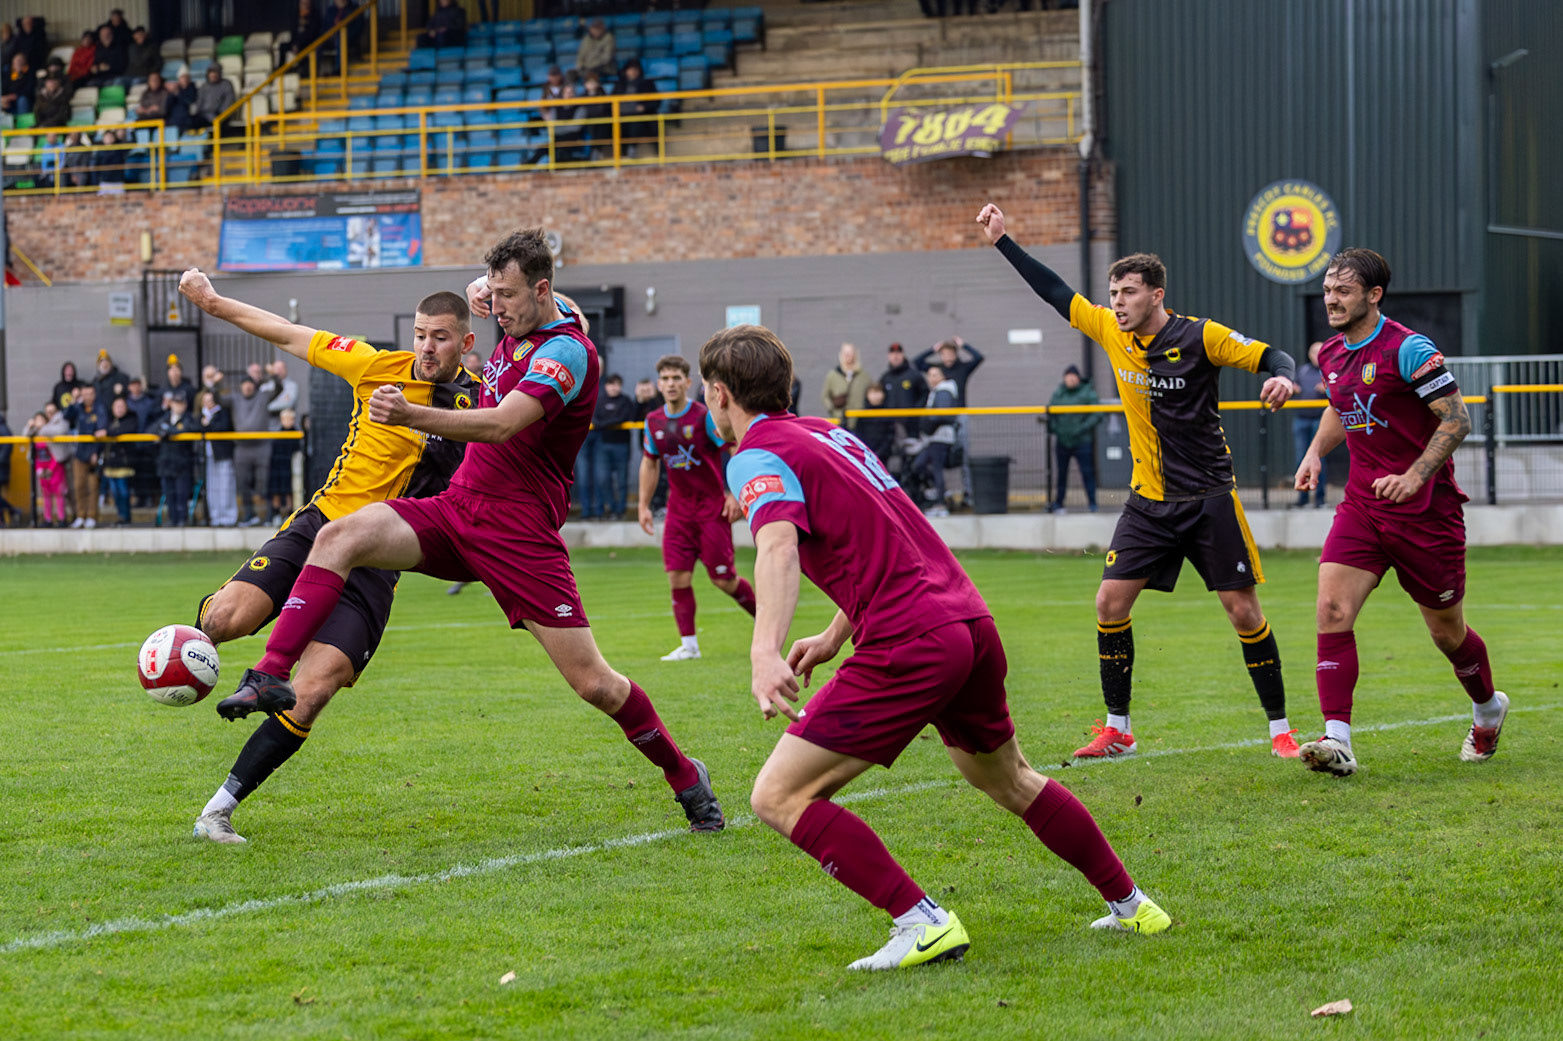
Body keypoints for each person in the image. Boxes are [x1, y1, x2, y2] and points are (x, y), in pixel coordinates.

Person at [210, 229, 726, 839]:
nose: (497, 305)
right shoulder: (515, 312)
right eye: (494, 295)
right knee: (340, 536)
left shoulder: (568, 354)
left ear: (542, 290)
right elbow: (493, 293)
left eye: (508, 296)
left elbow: (505, 424)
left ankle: (683, 774)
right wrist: (484, 287)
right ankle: (270, 673)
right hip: (458, 510)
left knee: (595, 684)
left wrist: (410, 414)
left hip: (520, 536)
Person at [702, 324, 1171, 970]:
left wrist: (765, 650)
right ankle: (1132, 904)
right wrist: (835, 634)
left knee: (776, 796)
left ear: (720, 393)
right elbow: (880, 538)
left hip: (912, 638)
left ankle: (920, 920)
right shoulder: (829, 434)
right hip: (968, 623)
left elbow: (778, 547)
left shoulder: (753, 454)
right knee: (1009, 778)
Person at [979, 202, 1303, 759]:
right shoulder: (1109, 330)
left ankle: (1281, 732)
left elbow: (1273, 354)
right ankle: (1119, 730)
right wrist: (1004, 241)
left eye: (1127, 292)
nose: (1116, 304)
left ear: (1156, 294)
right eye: (1112, 293)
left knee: (1243, 612)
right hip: (1148, 503)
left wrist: (1283, 378)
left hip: (1208, 500)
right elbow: (1056, 293)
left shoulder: (1202, 337)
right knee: (1109, 603)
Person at [177, 268, 477, 843]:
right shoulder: (374, 365)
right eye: (420, 334)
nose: (426, 347)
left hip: (379, 561)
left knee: (315, 688)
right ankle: (181, 654)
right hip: (319, 525)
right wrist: (214, 303)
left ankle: (217, 811)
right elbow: (289, 333)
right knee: (226, 619)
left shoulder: (476, 403)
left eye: (440, 336)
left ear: (465, 342)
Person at [1293, 248, 1504, 777]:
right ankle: (1336, 740)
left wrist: (1414, 476)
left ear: (1373, 294)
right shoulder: (1332, 354)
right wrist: (1316, 453)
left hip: (1425, 514)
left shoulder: (1409, 349)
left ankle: (1487, 709)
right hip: (1363, 508)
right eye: (1326, 290)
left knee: (1446, 633)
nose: (1331, 300)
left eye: (1342, 290)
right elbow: (1342, 406)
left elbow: (1457, 421)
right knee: (1331, 610)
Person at [638, 354, 756, 661]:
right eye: (665, 378)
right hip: (678, 511)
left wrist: (736, 493)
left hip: (711, 509)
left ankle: (766, 623)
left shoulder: (705, 415)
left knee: (723, 580)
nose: (671, 383)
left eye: (677, 378)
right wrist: (643, 505)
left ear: (688, 382)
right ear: (658, 384)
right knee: (677, 577)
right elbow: (649, 464)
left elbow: (735, 447)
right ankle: (689, 646)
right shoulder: (653, 421)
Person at [1047, 364, 1101, 512]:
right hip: (1063, 441)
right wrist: (1056, 429)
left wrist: (1081, 429)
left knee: (1087, 472)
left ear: (1078, 378)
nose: (1070, 379)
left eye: (1073, 376)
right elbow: (1051, 413)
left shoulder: (1087, 392)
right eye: (1067, 376)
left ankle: (1092, 503)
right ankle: (1059, 503)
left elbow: (1097, 413)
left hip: (1082, 441)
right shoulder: (1059, 393)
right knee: (1061, 474)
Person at [908, 363, 958, 515]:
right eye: (929, 375)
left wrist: (927, 423)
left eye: (935, 374)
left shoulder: (944, 390)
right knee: (919, 465)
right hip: (932, 438)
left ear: (943, 376)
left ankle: (941, 503)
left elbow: (942, 415)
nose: (931, 378)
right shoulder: (936, 391)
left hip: (940, 437)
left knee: (935, 468)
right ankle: (939, 490)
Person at [231, 374, 275, 526]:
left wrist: (272, 375)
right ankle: (249, 515)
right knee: (242, 483)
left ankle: (267, 517)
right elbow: (217, 400)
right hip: (242, 448)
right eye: (245, 384)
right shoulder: (235, 399)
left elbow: (278, 389)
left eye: (250, 383)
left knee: (263, 482)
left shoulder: (263, 397)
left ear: (254, 385)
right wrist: (213, 384)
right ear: (241, 386)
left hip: (261, 447)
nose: (247, 386)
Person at [592, 373, 636, 520]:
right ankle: (610, 508)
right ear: (606, 386)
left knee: (622, 481)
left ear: (620, 386)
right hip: (603, 446)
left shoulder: (625, 401)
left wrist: (604, 424)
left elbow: (623, 417)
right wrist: (609, 423)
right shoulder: (599, 401)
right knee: (603, 479)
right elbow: (595, 419)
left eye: (616, 384)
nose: (613, 387)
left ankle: (620, 511)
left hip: (622, 445)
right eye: (611, 384)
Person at [64, 385, 109, 529]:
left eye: (90, 393)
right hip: (80, 453)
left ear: (94, 394)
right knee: (78, 486)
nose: (87, 397)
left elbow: (101, 430)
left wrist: (96, 451)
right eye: (84, 394)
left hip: (93, 453)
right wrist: (74, 400)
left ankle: (91, 516)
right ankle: (80, 515)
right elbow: (66, 415)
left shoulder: (100, 409)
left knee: (92, 486)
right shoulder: (78, 407)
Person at [1292, 341, 1329, 508]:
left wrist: (1327, 389)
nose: (1317, 356)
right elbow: (1294, 385)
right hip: (1302, 419)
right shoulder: (1302, 370)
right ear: (1309, 355)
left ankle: (1320, 499)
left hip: (1321, 421)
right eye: (1314, 353)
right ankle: (1302, 498)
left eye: (1320, 352)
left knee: (1319, 459)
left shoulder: (1330, 371)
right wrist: (1293, 388)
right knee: (1301, 459)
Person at [154, 392, 197, 527]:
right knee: (169, 494)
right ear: (170, 404)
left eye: (181, 403)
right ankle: (173, 520)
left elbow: (192, 429)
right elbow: (152, 429)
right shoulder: (164, 418)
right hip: (166, 463)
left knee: (181, 494)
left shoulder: (188, 419)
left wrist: (170, 432)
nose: (178, 406)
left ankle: (182, 520)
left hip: (182, 463)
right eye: (175, 403)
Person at [27, 408, 71, 526]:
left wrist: (50, 469)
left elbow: (55, 454)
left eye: (41, 420)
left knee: (59, 494)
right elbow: (35, 455)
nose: (39, 422)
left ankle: (62, 518)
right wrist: (39, 469)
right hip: (42, 469)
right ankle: (48, 519)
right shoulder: (35, 435)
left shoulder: (49, 434)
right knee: (46, 495)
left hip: (54, 469)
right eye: (37, 420)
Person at [200, 389, 238, 527]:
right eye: (205, 401)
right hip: (209, 457)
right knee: (213, 487)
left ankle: (228, 517)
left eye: (210, 400)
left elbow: (221, 427)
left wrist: (207, 424)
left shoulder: (222, 413)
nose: (208, 403)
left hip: (223, 455)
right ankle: (215, 517)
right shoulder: (202, 415)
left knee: (226, 486)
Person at [914, 336, 983, 408]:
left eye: (950, 354)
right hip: (940, 409)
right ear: (941, 355)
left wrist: (963, 345)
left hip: (959, 410)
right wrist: (933, 350)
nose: (948, 357)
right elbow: (916, 362)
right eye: (944, 354)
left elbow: (978, 358)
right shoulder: (937, 368)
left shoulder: (963, 368)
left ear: (955, 355)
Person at [102, 396, 139, 525]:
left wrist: (107, 432)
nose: (119, 409)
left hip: (124, 462)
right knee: (115, 493)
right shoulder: (110, 421)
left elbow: (123, 431)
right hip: (111, 462)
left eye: (122, 406)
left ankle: (126, 516)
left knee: (124, 492)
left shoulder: (131, 419)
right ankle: (120, 516)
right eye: (116, 406)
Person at [613, 60, 658, 158]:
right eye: (630, 69)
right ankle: (620, 153)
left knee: (637, 123)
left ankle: (632, 149)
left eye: (635, 69)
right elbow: (610, 101)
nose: (633, 72)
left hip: (640, 115)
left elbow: (656, 101)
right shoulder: (619, 84)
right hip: (621, 115)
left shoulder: (647, 83)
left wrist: (644, 107)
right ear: (625, 71)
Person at [820, 343, 868, 428]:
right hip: (839, 420)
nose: (848, 356)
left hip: (859, 422)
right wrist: (833, 409)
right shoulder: (833, 375)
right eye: (845, 353)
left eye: (850, 353)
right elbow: (825, 396)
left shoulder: (863, 376)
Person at [853, 382, 898, 469]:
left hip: (884, 455)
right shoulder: (862, 415)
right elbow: (859, 433)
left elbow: (890, 435)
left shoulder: (888, 414)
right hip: (865, 454)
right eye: (872, 393)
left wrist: (880, 452)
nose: (875, 396)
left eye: (878, 392)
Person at [269, 407, 301, 525]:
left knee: (290, 491)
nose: (287, 421)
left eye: (290, 418)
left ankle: (290, 513)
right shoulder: (278, 435)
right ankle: (276, 514)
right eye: (285, 418)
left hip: (291, 468)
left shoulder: (297, 434)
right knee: (276, 490)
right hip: (278, 466)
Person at [194, 64, 235, 130]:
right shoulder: (204, 86)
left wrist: (219, 115)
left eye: (215, 72)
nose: (213, 75)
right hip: (205, 116)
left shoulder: (226, 84)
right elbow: (199, 102)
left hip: (220, 116)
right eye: (211, 72)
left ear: (219, 73)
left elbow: (228, 101)